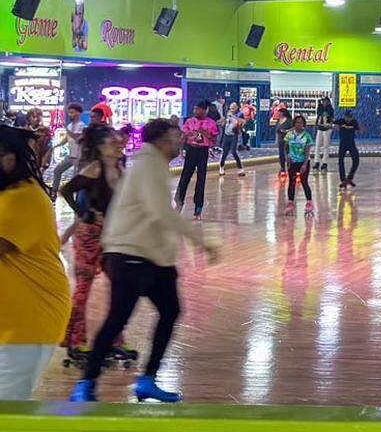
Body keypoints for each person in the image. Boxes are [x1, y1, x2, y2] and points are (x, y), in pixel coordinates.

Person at [69, 119, 219, 403]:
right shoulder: (149, 164)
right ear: (162, 141)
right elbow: (160, 212)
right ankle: (86, 384)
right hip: (131, 255)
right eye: (176, 136)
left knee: (170, 310)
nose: (181, 140)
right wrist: (202, 241)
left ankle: (147, 380)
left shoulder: (149, 164)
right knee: (118, 317)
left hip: (148, 256)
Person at [0, 126, 70, 401]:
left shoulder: (22, 197)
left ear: (15, 157)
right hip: (13, 319)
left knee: (6, 413)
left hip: (30, 320)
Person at [59, 123, 131, 363]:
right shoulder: (94, 168)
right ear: (101, 148)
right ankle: (74, 341)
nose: (118, 145)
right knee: (84, 288)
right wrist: (85, 214)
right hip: (90, 235)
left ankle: (113, 339)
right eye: (112, 142)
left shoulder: (119, 169)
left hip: (111, 235)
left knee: (120, 286)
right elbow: (67, 190)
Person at [175, 101, 218, 218]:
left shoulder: (211, 123)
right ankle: (179, 202)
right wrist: (181, 150)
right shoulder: (189, 121)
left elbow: (214, 140)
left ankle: (198, 207)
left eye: (197, 109)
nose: (195, 111)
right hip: (191, 150)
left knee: (201, 179)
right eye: (194, 109)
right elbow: (183, 136)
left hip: (202, 152)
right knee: (184, 177)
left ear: (205, 110)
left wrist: (207, 134)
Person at [50, 102, 86, 198]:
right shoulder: (70, 126)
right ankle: (53, 193)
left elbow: (76, 137)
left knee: (75, 180)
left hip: (79, 158)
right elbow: (66, 139)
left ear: (78, 113)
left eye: (72, 112)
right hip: (71, 156)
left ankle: (78, 200)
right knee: (57, 170)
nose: (70, 115)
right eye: (69, 112)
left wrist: (67, 129)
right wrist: (55, 146)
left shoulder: (81, 125)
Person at [283, 115, 314, 215]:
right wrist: (287, 158)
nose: (298, 124)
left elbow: (307, 151)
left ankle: (309, 202)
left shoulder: (307, 136)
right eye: (297, 122)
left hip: (303, 162)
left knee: (304, 182)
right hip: (292, 162)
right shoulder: (289, 135)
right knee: (291, 182)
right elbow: (286, 147)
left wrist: (305, 164)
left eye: (301, 123)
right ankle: (290, 202)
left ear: (304, 124)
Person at [335, 109, 361, 189]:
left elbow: (359, 129)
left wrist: (360, 129)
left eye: (351, 118)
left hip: (351, 144)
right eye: (348, 117)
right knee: (341, 161)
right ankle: (343, 180)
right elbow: (331, 122)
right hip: (343, 144)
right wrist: (336, 126)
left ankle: (349, 177)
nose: (349, 119)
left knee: (356, 160)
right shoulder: (341, 121)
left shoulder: (354, 122)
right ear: (345, 117)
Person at [218, 102, 246, 177]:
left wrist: (233, 117)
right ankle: (221, 167)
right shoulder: (227, 113)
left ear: (237, 108)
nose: (231, 109)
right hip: (227, 135)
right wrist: (220, 122)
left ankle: (240, 168)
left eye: (233, 108)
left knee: (234, 151)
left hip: (234, 135)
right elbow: (224, 120)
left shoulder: (240, 114)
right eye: (231, 108)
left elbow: (243, 122)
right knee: (224, 152)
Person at [313, 96, 336, 173]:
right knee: (317, 146)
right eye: (323, 101)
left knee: (326, 146)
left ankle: (324, 163)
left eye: (325, 101)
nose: (324, 103)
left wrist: (331, 125)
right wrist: (316, 124)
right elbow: (318, 116)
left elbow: (332, 119)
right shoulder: (320, 108)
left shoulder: (330, 110)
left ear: (328, 102)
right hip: (320, 128)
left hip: (327, 129)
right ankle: (316, 162)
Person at [273, 107, 292, 179]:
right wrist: (276, 140)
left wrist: (287, 131)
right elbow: (277, 131)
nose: (278, 114)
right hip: (280, 140)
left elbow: (293, 129)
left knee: (287, 153)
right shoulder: (278, 121)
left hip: (287, 140)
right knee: (281, 154)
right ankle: (282, 167)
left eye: (280, 112)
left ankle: (290, 167)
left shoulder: (289, 121)